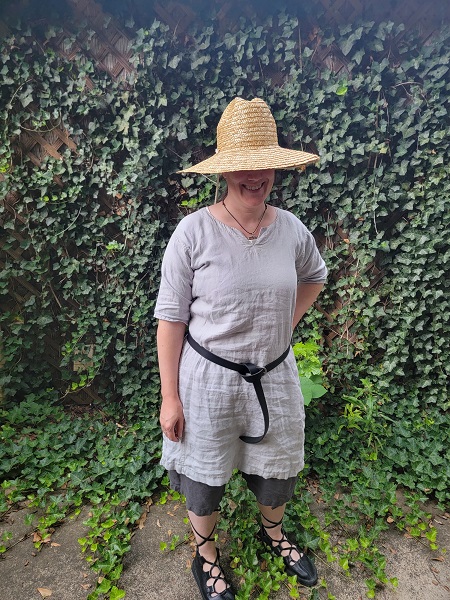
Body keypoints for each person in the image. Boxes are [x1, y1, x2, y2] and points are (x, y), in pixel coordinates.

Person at [154, 97, 327, 599]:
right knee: (204, 478)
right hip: (207, 381)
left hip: (274, 376)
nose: (255, 176)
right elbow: (171, 320)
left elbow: (314, 276)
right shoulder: (193, 233)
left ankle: (274, 534)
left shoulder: (291, 229)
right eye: (242, 168)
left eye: (264, 165)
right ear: (225, 173)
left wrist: (284, 323)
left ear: (276, 166)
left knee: (278, 469)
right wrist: (170, 396)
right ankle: (205, 556)